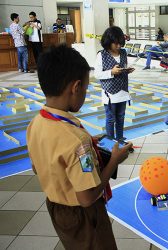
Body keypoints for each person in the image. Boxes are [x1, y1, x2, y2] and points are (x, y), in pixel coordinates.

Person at [26, 44, 132, 249]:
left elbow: (37, 167)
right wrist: (114, 161)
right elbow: (87, 197)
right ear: (75, 88)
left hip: (57, 208)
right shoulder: (76, 141)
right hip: (84, 216)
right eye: (85, 88)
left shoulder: (36, 123)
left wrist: (91, 142)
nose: (84, 92)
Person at [94, 26, 135, 141]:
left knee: (121, 117)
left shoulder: (123, 53)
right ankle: (110, 143)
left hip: (123, 91)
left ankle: (120, 139)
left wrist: (127, 70)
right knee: (111, 119)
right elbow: (97, 74)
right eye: (116, 43)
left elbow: (123, 66)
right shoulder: (101, 55)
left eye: (120, 43)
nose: (119, 46)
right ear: (108, 42)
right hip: (110, 94)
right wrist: (111, 72)